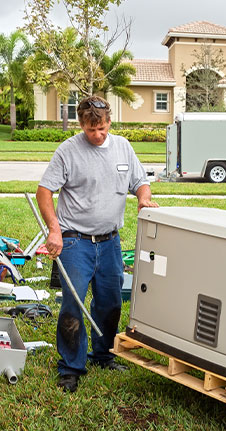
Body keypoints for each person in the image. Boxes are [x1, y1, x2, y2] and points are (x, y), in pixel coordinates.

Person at [36, 95, 159, 393]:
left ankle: (102, 354)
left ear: (109, 123)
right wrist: (54, 230)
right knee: (73, 303)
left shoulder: (122, 147)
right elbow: (44, 192)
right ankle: (71, 367)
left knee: (110, 301)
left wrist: (143, 198)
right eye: (91, 130)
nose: (97, 135)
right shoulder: (68, 151)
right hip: (76, 240)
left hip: (110, 242)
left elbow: (139, 181)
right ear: (81, 125)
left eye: (102, 128)